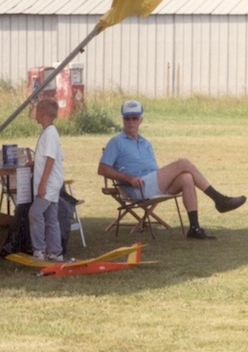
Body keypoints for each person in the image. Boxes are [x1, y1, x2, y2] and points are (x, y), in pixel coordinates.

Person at [98, 99, 246, 240]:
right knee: (183, 163)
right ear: (123, 120)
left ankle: (194, 228)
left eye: (134, 118)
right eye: (127, 118)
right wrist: (128, 178)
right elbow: (102, 169)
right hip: (138, 188)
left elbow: (153, 170)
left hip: (153, 183)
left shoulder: (146, 143)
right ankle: (219, 199)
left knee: (187, 177)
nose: (131, 122)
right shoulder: (116, 142)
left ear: (140, 120)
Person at [29, 98, 65, 261]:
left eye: (36, 111)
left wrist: (43, 183)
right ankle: (55, 252)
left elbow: (51, 159)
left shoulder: (50, 133)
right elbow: (51, 156)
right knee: (51, 217)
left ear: (42, 114)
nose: (34, 114)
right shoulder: (49, 133)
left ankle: (39, 250)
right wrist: (35, 161)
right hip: (52, 182)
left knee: (35, 213)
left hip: (49, 183)